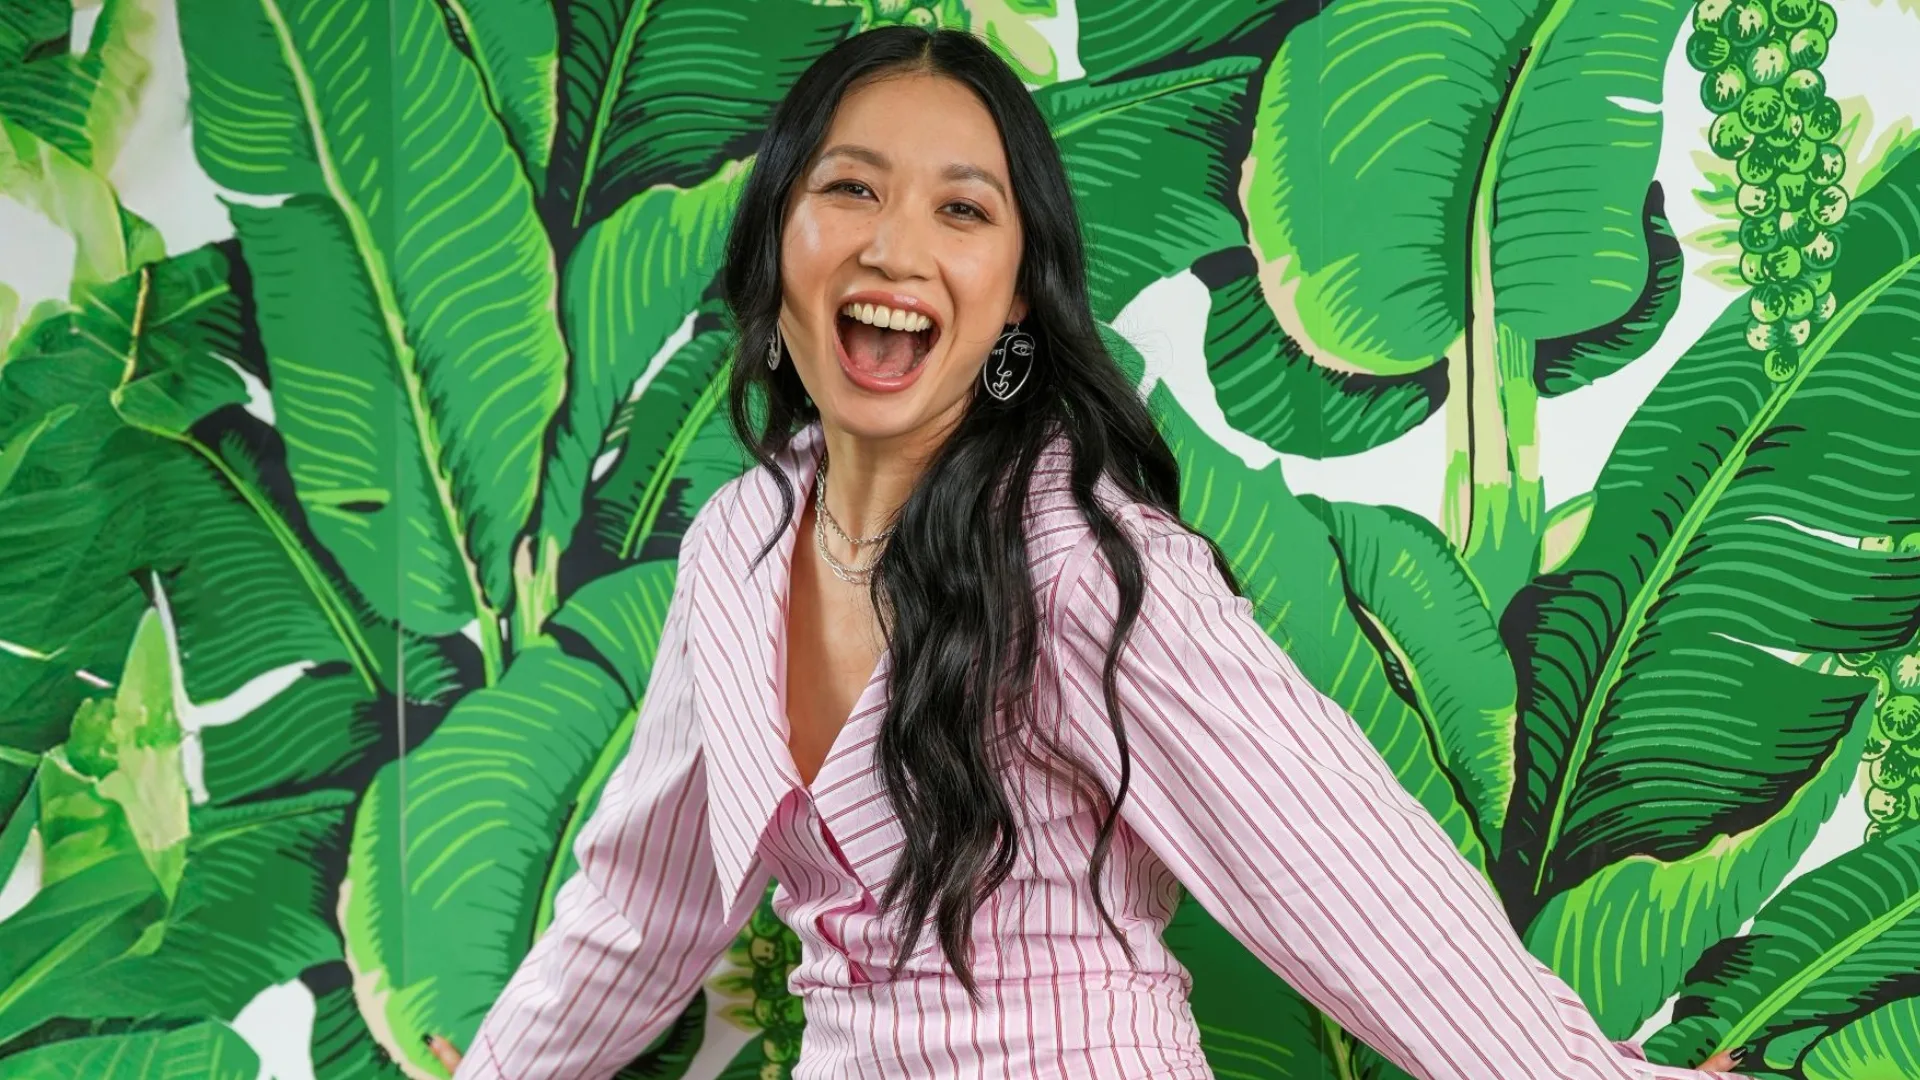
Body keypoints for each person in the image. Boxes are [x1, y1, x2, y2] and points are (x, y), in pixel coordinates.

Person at [435, 24, 1748, 1080]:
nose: (896, 245)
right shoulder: (735, 543)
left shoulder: (1076, 558)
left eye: (963, 211)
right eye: (850, 190)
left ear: (1017, 295)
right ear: (779, 240)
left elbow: (1346, 874)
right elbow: (639, 911)